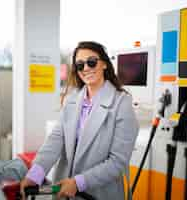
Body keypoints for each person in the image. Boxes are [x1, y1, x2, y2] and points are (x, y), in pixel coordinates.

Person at [20, 41, 139, 200]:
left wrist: (78, 183)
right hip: (65, 192)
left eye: (91, 62)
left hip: (99, 193)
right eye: (80, 65)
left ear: (104, 64)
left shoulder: (121, 103)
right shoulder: (72, 100)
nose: (86, 69)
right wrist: (35, 175)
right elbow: (55, 140)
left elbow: (117, 162)